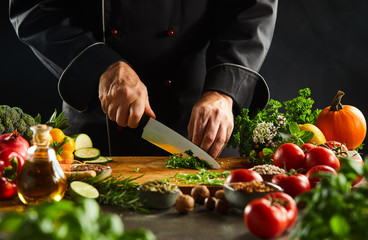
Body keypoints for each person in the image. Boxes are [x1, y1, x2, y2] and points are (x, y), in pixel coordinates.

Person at [9, 0, 278, 158]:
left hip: (195, 118)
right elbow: (33, 7)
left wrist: (224, 89)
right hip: (97, 123)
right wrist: (100, 65)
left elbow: (252, 6)